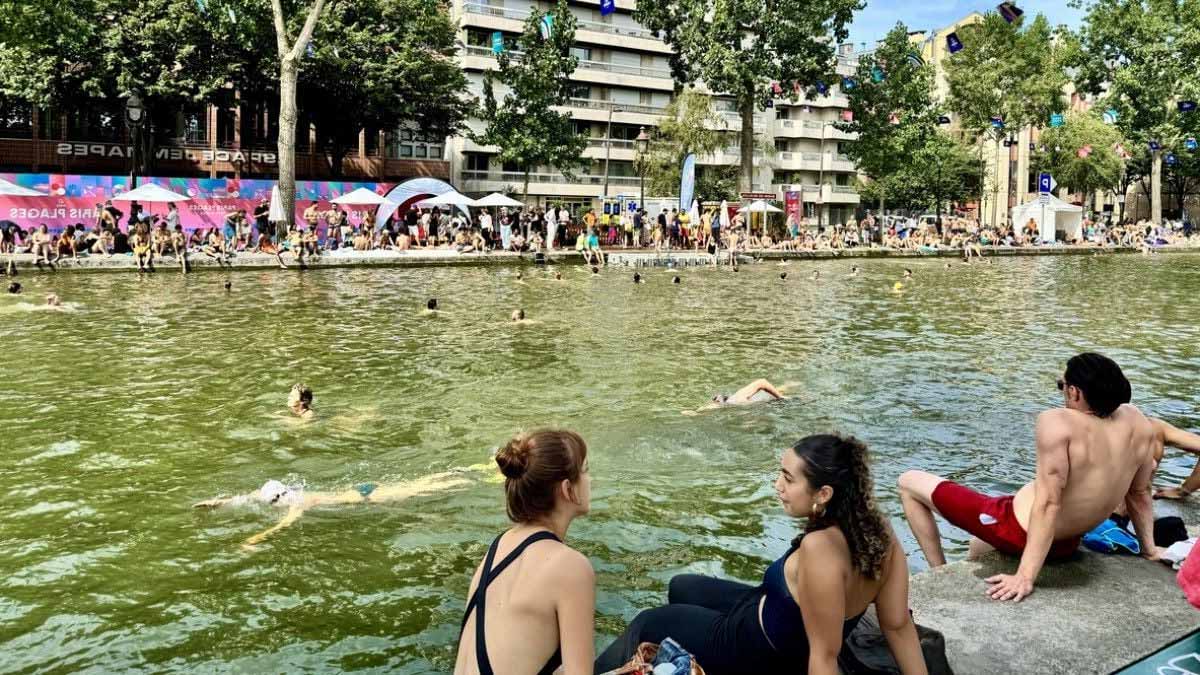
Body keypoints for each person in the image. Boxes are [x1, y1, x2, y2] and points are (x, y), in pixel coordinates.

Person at [595, 434, 927, 675]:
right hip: (768, 615)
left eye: (787, 478)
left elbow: (824, 657)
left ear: (823, 493)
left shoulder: (820, 549)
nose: (777, 486)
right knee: (681, 585)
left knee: (648, 622)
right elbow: (897, 626)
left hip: (752, 648)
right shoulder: (878, 531)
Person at [898, 353, 1163, 602]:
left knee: (909, 481)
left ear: (1075, 391)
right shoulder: (1137, 421)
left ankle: (939, 573)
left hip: (1015, 528)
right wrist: (1149, 549)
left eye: (1062, 385)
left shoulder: (1058, 421)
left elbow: (1049, 503)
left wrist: (1025, 577)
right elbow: (1139, 492)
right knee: (978, 546)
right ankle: (971, 564)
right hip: (1067, 543)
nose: (1062, 392)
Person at [453, 430, 594, 675]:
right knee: (651, 627)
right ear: (567, 488)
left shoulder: (499, 546)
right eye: (585, 470)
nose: (591, 479)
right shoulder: (570, 567)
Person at [194, 472, 472, 548]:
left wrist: (254, 539)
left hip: (366, 498)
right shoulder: (292, 494)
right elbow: (247, 496)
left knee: (420, 489)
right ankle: (457, 474)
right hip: (361, 489)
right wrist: (218, 502)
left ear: (278, 500)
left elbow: (283, 526)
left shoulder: (299, 503)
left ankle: (463, 478)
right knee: (416, 484)